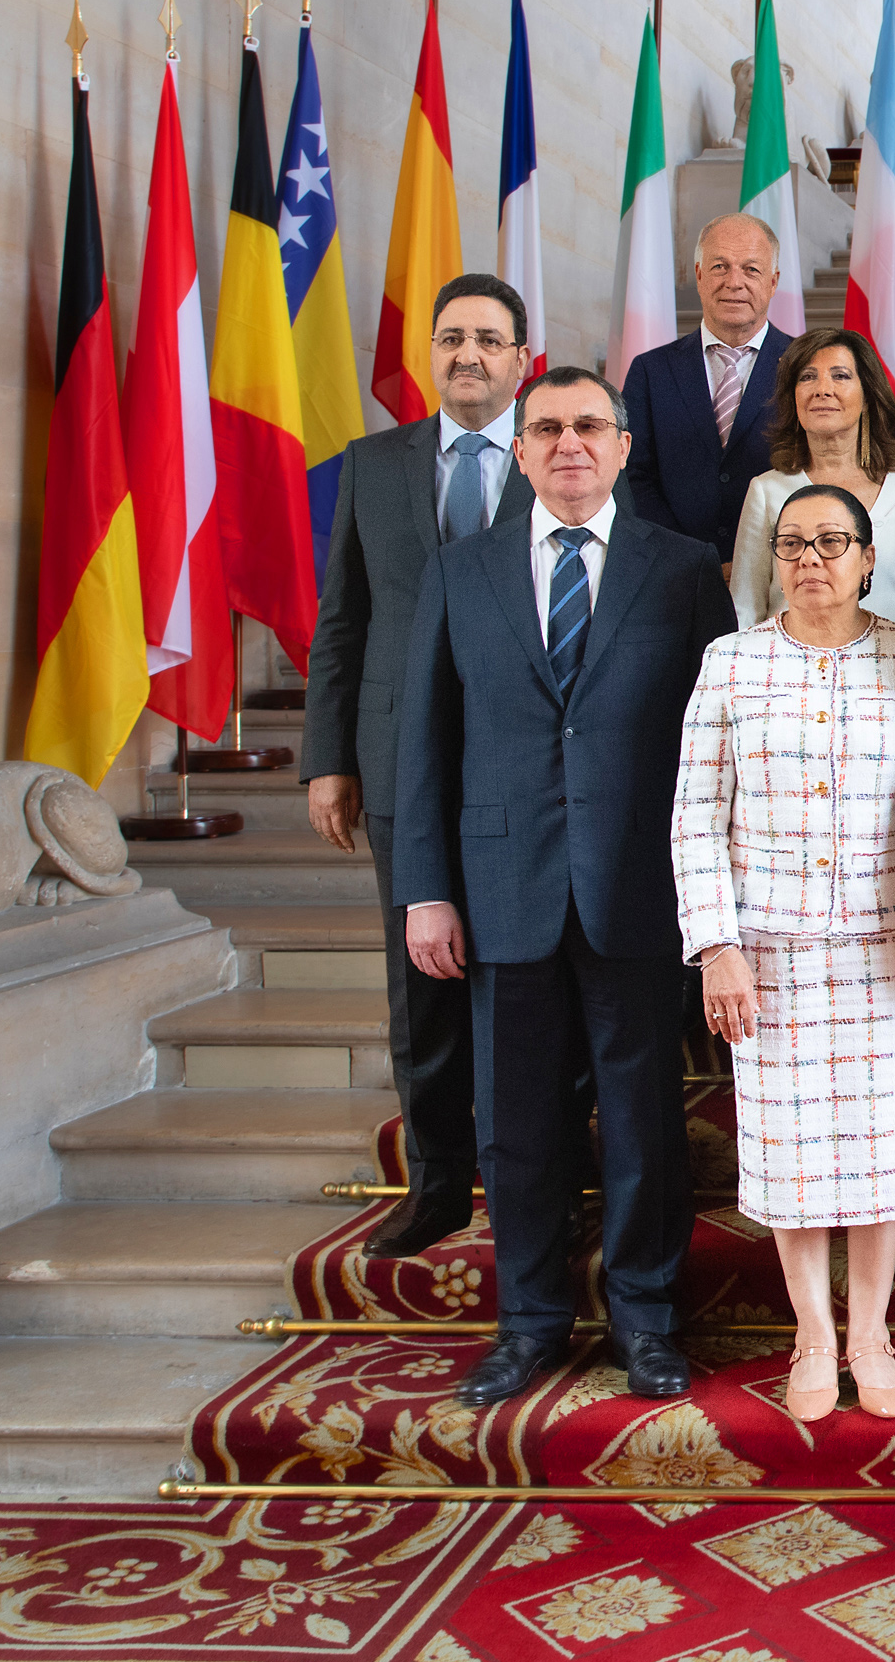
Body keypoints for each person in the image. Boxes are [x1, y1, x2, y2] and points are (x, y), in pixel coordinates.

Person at [395, 366, 736, 1408]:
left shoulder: (683, 570)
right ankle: (530, 1322)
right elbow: (426, 740)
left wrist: (715, 897)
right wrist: (426, 890)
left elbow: (715, 743)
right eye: (546, 428)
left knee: (642, 1120)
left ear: (624, 447)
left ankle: (645, 1317)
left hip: (639, 888)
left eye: (590, 426)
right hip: (503, 889)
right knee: (516, 1126)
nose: (569, 444)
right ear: (521, 450)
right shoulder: (462, 571)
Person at [674, 484, 895, 1424]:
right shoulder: (731, 663)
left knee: (880, 1147)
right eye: (792, 544)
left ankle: (870, 1332)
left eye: (832, 542)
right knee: (789, 1150)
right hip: (769, 953)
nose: (811, 559)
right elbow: (695, 816)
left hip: (888, 945)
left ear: (868, 558)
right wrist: (716, 945)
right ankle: (813, 1335)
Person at [301, 272, 528, 1260]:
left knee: (521, 981)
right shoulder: (372, 463)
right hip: (399, 760)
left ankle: (534, 1176)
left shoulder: (557, 453)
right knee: (420, 983)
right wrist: (328, 759)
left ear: (521, 358)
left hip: (521, 765)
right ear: (430, 353)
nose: (466, 355)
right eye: (451, 338)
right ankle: (436, 1185)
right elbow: (342, 620)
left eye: (487, 339)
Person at [729, 327, 895, 636]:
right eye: (807, 377)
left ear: (867, 395)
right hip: (789, 665)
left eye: (840, 376)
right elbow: (745, 610)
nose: (822, 389)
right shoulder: (766, 490)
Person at [619, 213, 790, 563]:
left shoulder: (805, 367)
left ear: (773, 282)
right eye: (719, 267)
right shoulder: (650, 371)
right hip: (672, 568)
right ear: (698, 275)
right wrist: (688, 559)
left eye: (751, 269)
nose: (734, 282)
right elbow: (632, 474)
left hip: (781, 568)